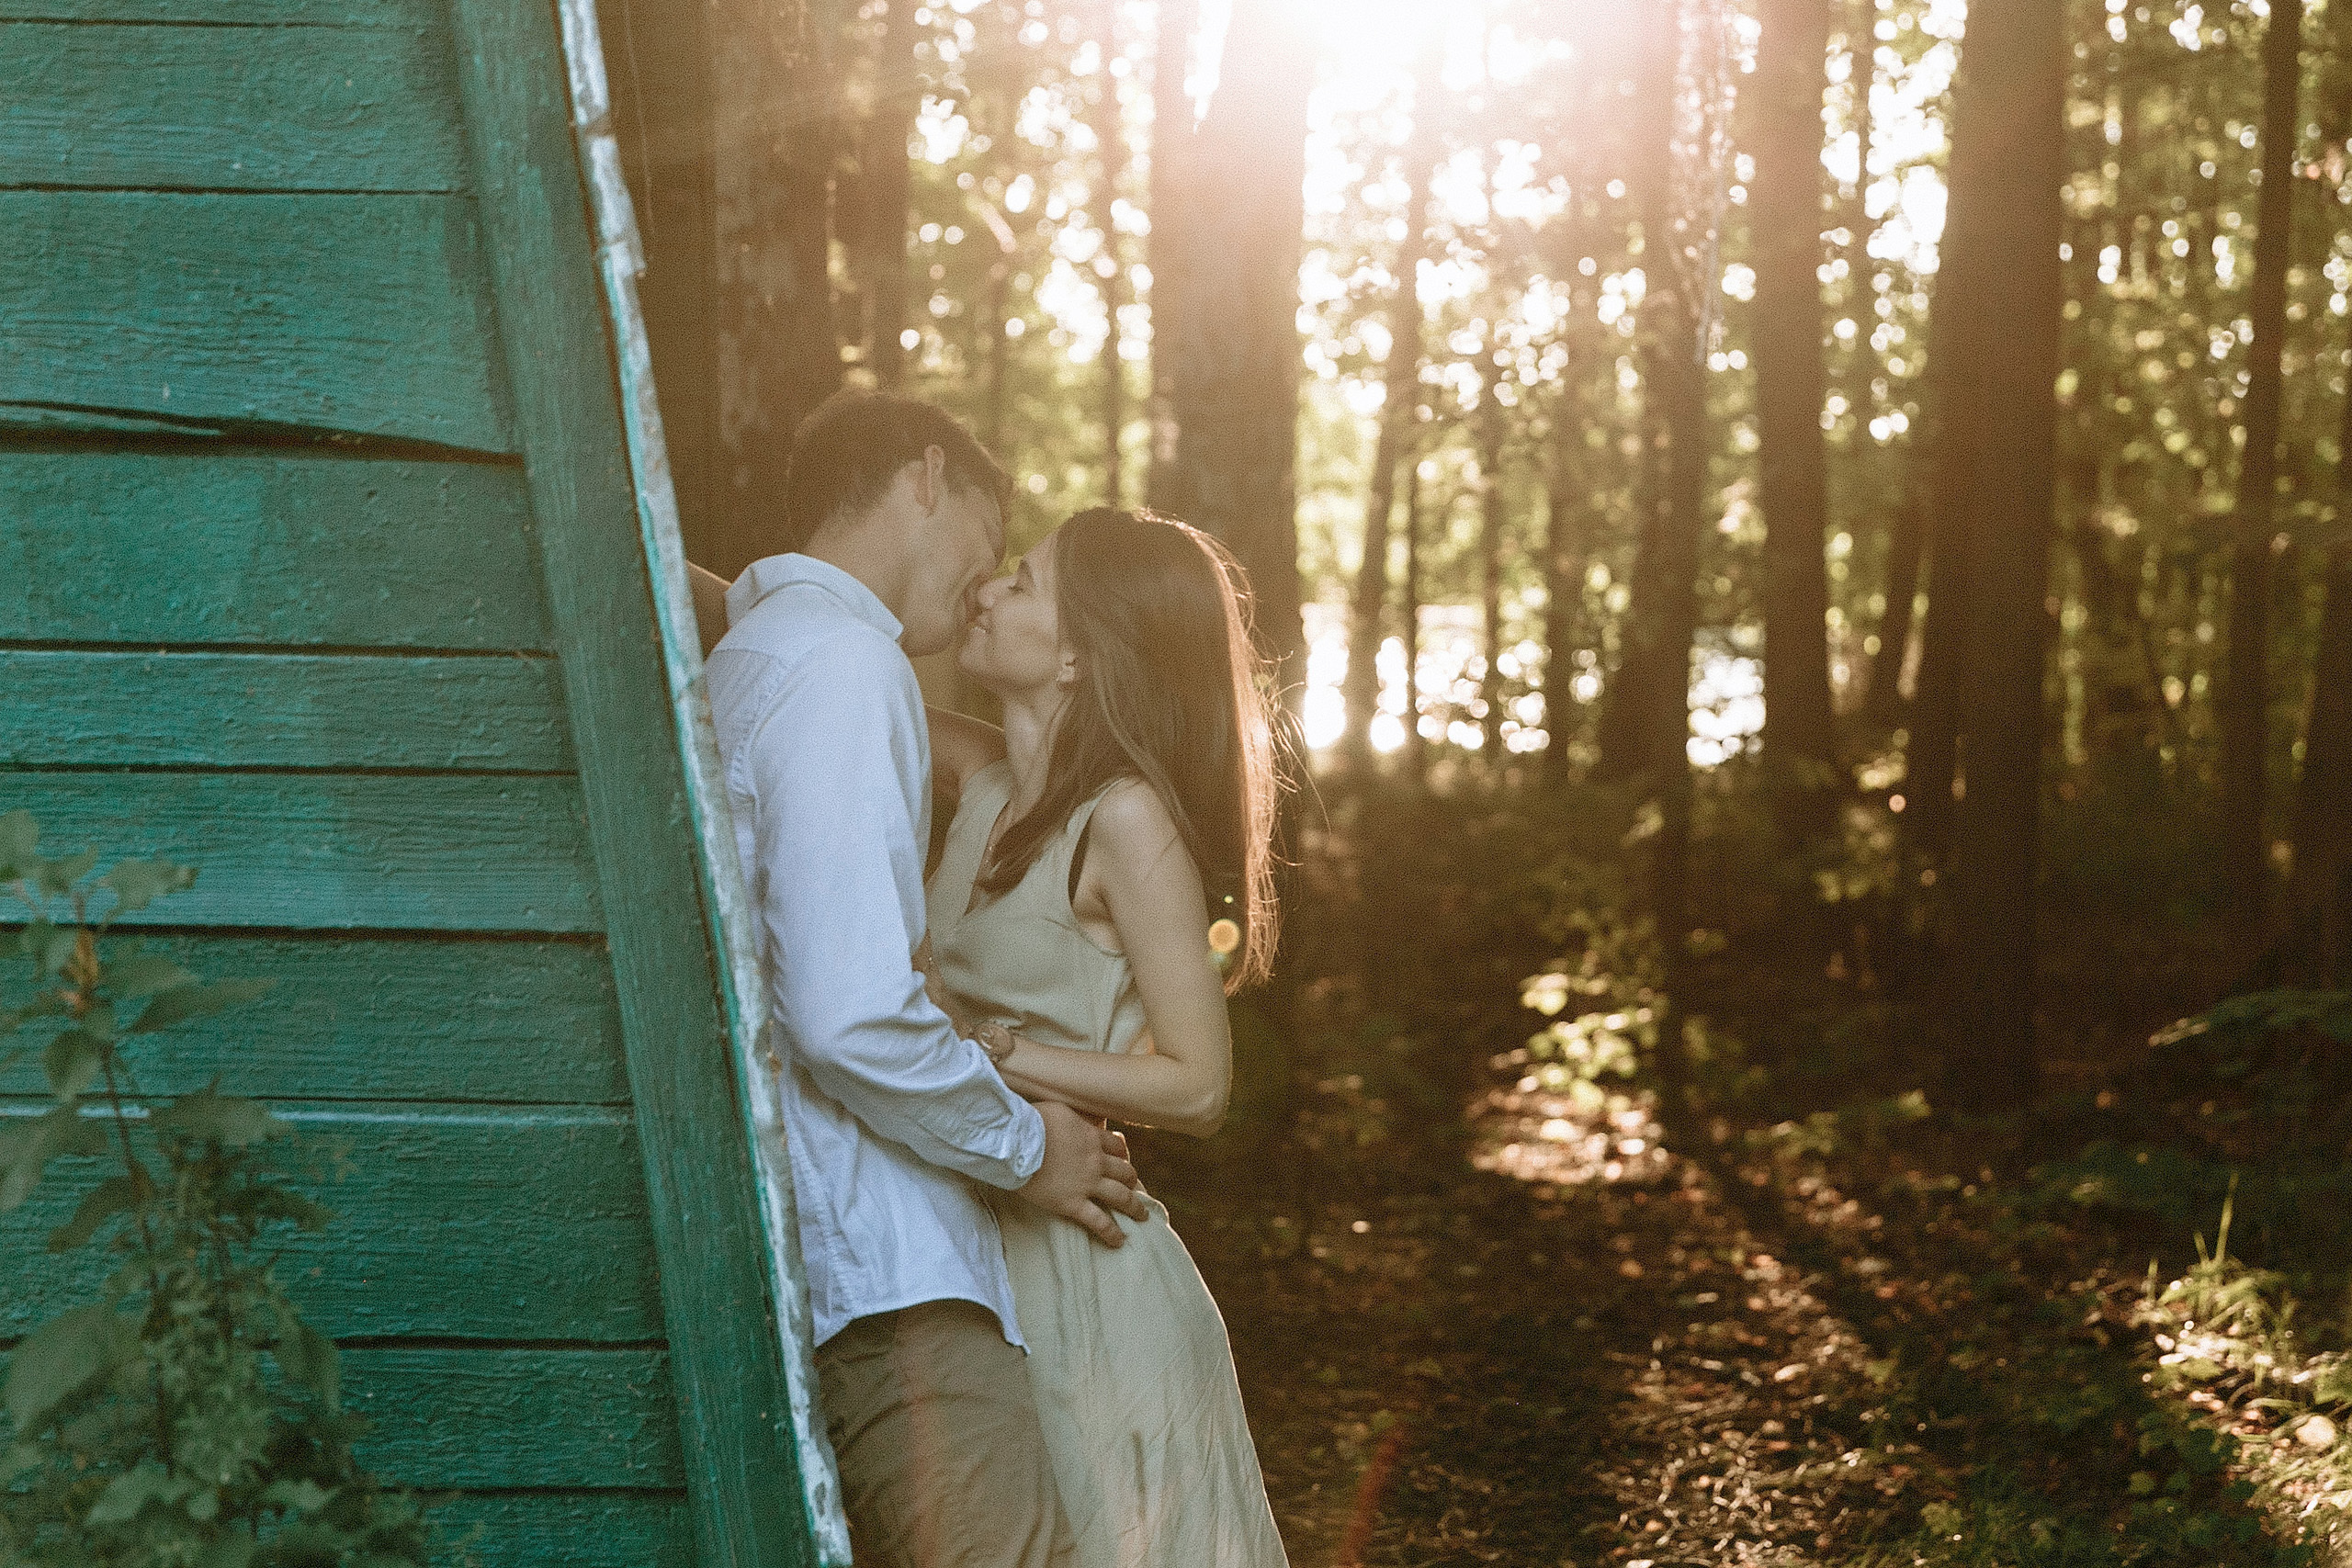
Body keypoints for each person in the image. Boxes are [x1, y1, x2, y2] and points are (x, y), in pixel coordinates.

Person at [701, 391, 1148, 1568]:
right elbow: (848, 1013)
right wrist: (1027, 1146)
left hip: (826, 1259)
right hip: (888, 1278)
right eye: (993, 545)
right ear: (929, 477)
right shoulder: (845, 664)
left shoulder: (757, 654)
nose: (984, 586)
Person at [920, 505, 1291, 1567]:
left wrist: (987, 1052)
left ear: (1079, 655)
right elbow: (820, 639)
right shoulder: (988, 782)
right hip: (981, 1230)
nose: (988, 590)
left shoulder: (1124, 818)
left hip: (1091, 1280)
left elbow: (1198, 1085)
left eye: (1022, 582)